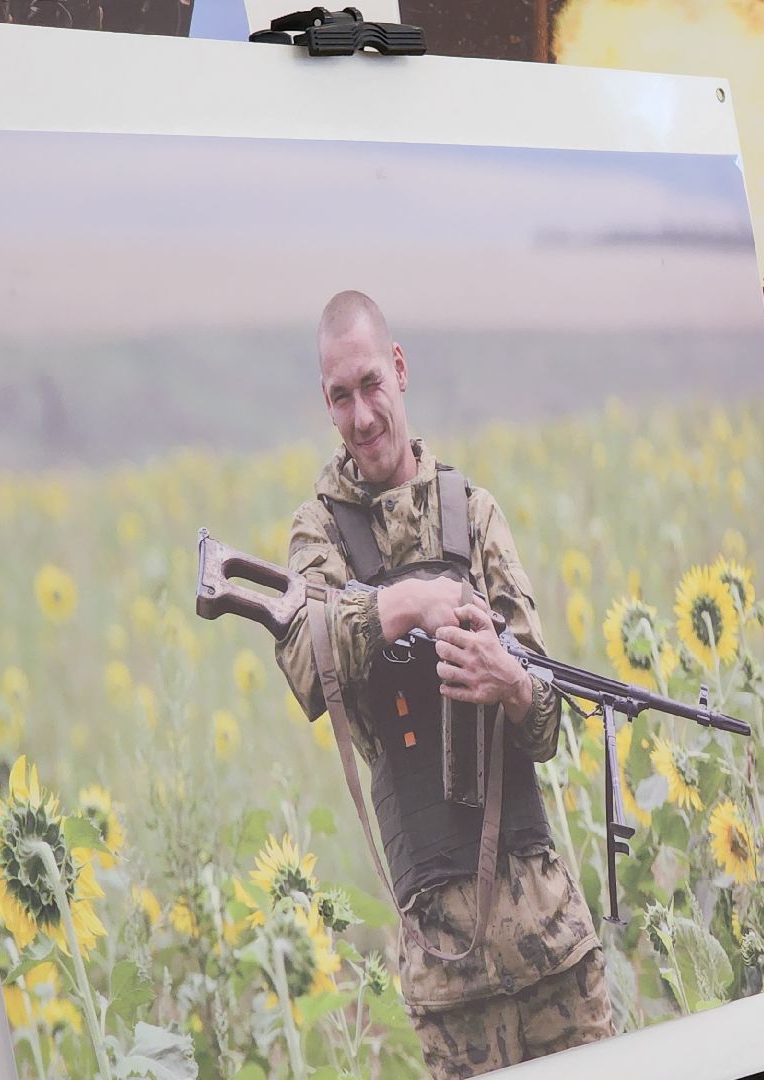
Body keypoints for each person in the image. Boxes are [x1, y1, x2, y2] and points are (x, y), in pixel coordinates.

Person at [272, 290, 614, 1079]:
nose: (362, 416)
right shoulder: (319, 536)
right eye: (341, 396)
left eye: (371, 385)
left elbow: (547, 726)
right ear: (326, 404)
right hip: (447, 971)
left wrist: (510, 681)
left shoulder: (472, 515)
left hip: (553, 945)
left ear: (399, 369)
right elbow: (306, 665)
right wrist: (406, 604)